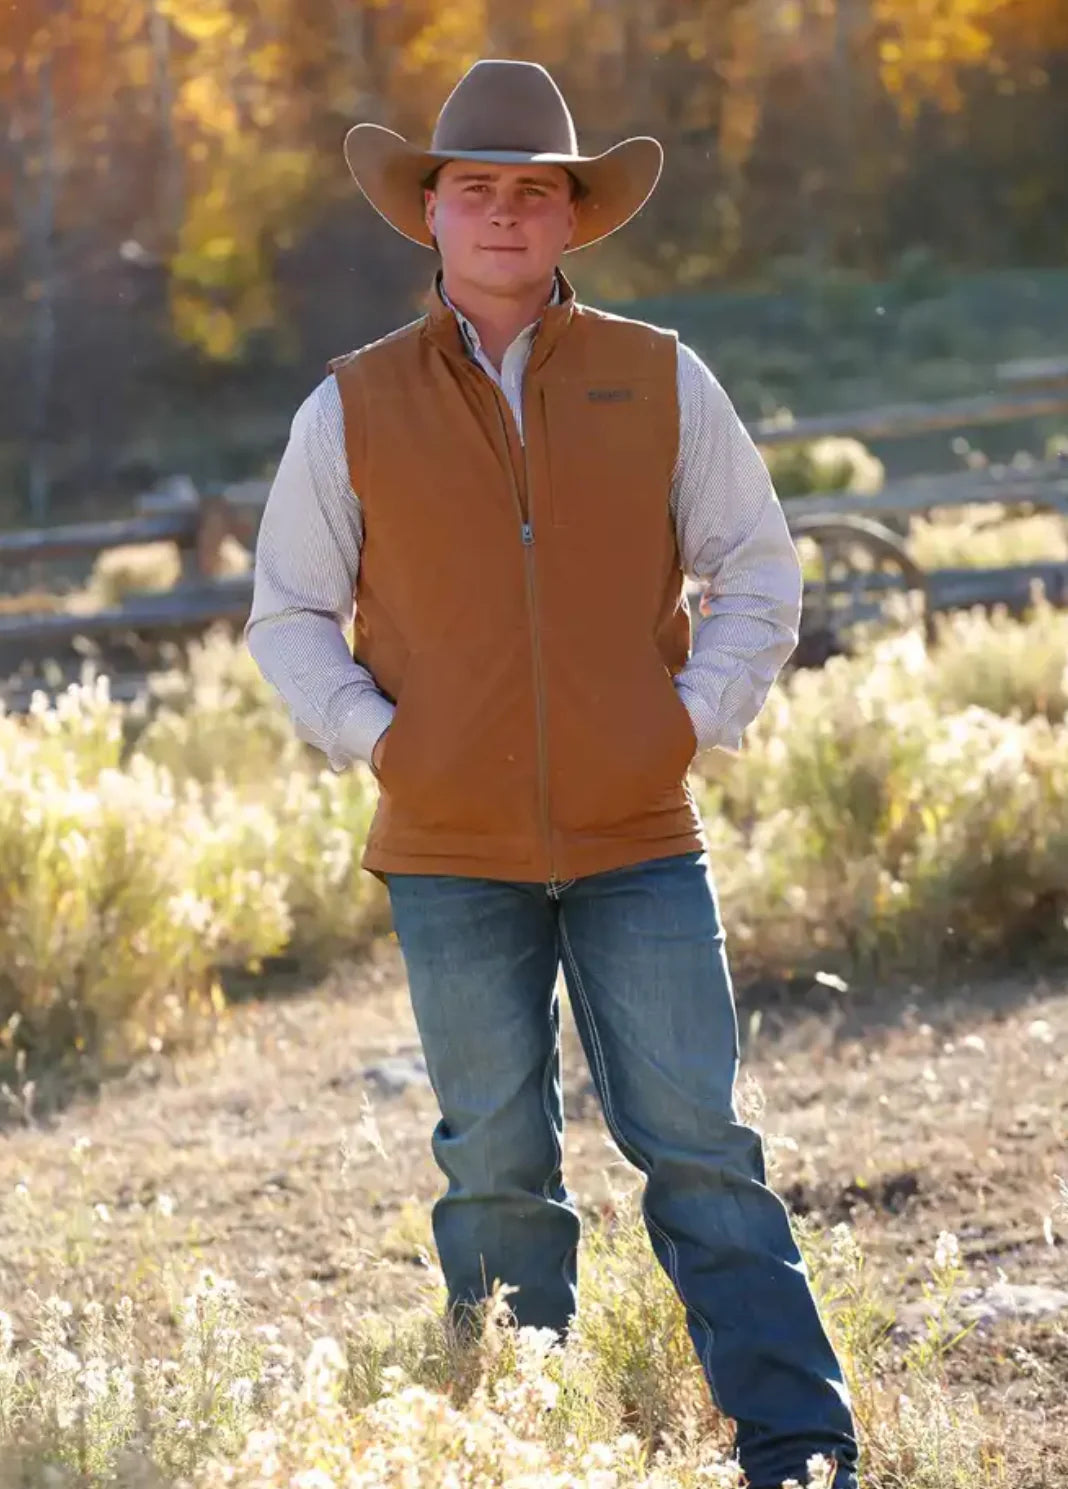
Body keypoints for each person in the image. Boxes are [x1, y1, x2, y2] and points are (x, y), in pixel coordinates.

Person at [245, 57, 860, 1489]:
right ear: (433, 213)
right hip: (449, 852)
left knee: (702, 1147)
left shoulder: (660, 376)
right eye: (479, 188)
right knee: (497, 1170)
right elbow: (287, 614)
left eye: (537, 191)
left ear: (575, 216)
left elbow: (758, 574)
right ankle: (522, 1448)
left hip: (641, 835)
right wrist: (385, 740)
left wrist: (685, 722)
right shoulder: (350, 405)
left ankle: (802, 1447)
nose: (507, 214)